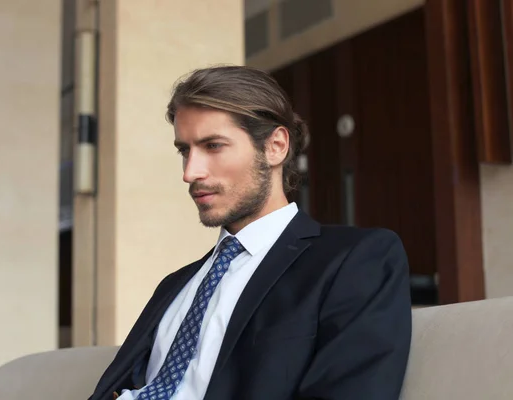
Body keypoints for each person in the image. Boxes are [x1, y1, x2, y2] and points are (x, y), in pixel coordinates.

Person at [88, 65, 412, 400]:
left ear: (276, 146)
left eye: (213, 146)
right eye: (185, 150)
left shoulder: (355, 259)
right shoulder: (174, 286)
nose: (190, 172)